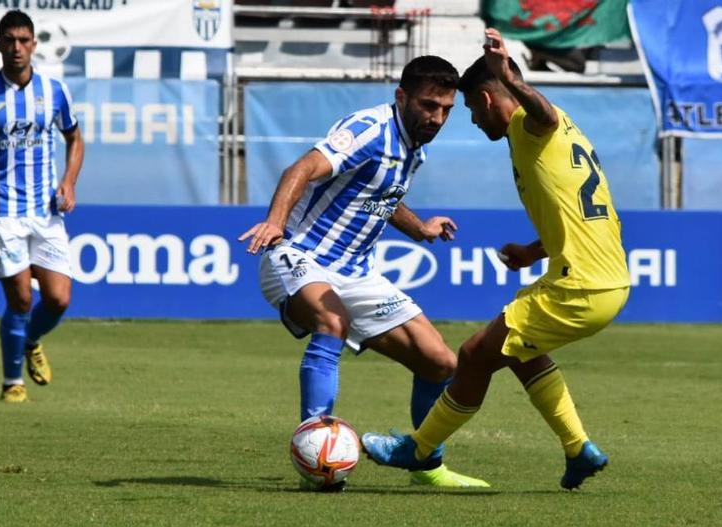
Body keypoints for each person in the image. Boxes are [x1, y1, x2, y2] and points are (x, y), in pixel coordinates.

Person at [361, 29, 631, 490]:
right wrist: (532, 250)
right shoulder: (563, 130)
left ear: (488, 99)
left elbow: (538, 113)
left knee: (472, 355)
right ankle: (578, 449)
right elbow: (574, 215)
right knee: (520, 352)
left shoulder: (530, 124)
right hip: (607, 281)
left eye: (467, 109)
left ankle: (418, 449)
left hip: (579, 285)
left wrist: (513, 79)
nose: (469, 120)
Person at [239, 55, 488, 489]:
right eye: (429, 105)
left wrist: (421, 228)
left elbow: (382, 197)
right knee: (332, 321)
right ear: (401, 96)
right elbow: (300, 168)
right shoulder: (369, 129)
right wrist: (276, 222)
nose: (438, 117)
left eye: (446, 109)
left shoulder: (415, 146)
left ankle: (426, 466)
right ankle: (314, 453)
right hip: (298, 254)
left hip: (356, 273)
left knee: (440, 362)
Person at [0, 10, 84, 404]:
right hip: (3, 211)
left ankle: (30, 341)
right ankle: (12, 382)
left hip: (46, 209)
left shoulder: (55, 91)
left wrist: (69, 182)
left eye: (24, 40)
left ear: (34, 45)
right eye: (9, 40)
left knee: (59, 299)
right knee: (22, 299)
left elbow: (75, 139)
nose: (17, 48)